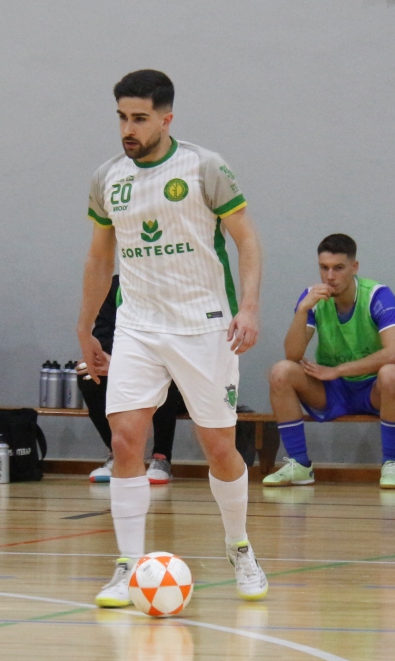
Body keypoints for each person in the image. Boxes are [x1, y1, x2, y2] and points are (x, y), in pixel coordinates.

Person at [77, 69, 267, 607]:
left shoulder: (205, 168)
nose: (128, 129)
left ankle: (239, 546)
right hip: (137, 326)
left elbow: (247, 241)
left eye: (139, 118)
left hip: (204, 325)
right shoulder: (107, 178)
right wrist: (85, 326)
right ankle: (128, 565)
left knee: (219, 449)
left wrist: (248, 308)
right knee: (124, 442)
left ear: (166, 118)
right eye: (121, 117)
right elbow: (99, 258)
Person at [266, 233, 395, 489]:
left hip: (375, 388)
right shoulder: (312, 298)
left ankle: (391, 464)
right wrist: (302, 310)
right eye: (323, 268)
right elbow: (292, 355)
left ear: (354, 267)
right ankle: (300, 464)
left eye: (338, 268)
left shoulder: (377, 296)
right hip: (334, 389)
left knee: (392, 373)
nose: (330, 276)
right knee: (281, 371)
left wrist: (338, 370)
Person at [79, 274, 187, 484]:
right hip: (127, 364)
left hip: (171, 366)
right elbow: (103, 333)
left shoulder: (172, 282)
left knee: (163, 374)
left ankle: (161, 457)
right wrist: (107, 361)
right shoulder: (116, 285)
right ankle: (118, 454)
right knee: (88, 375)